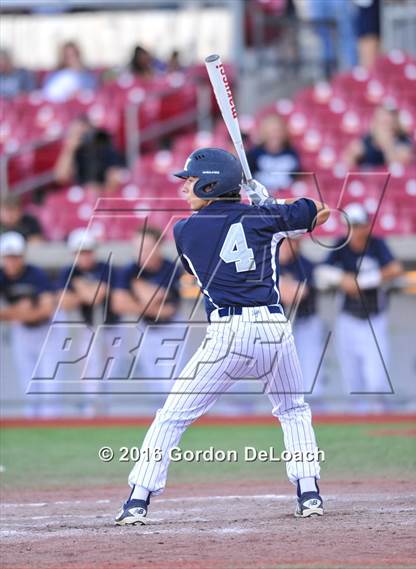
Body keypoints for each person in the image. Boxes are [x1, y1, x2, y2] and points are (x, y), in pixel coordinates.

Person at [115, 147, 330, 525]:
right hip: (274, 329)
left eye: (192, 182)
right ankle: (309, 493)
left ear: (213, 183)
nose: (185, 189)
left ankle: (138, 500)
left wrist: (262, 211)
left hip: (228, 333)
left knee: (172, 417)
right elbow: (319, 209)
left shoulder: (183, 231)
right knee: (293, 410)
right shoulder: (263, 217)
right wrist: (271, 203)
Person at [317, 203, 403, 410]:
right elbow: (321, 272)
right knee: (352, 379)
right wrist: (342, 279)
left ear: (367, 226)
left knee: (376, 379)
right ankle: (360, 420)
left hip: (374, 318)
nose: (355, 231)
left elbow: (395, 268)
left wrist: (363, 281)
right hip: (347, 318)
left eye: (359, 225)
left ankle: (379, 419)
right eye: (351, 226)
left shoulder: (376, 244)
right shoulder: (340, 245)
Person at [55, 228, 118, 415]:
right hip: (89, 327)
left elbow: (96, 297)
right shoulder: (69, 271)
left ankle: (109, 412)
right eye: (80, 252)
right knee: (89, 372)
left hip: (111, 327)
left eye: (88, 251)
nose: (85, 256)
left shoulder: (105, 267)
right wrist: (84, 291)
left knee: (110, 373)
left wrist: (79, 287)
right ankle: (92, 412)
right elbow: (64, 302)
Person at [112, 226, 183, 387]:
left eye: (146, 248)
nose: (141, 252)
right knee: (153, 382)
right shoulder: (130, 270)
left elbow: (166, 310)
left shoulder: (171, 269)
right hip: (145, 328)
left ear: (158, 247)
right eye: (138, 248)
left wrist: (137, 287)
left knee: (171, 383)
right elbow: (118, 304)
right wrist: (146, 299)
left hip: (171, 329)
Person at [0, 232, 55, 416]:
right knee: (29, 384)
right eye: (8, 257)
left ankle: (53, 426)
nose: (12, 262)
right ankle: (32, 423)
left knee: (51, 386)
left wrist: (13, 313)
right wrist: (20, 312)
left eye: (16, 256)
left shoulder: (35, 273)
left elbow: (47, 309)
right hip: (21, 331)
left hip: (46, 331)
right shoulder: (2, 277)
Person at [278, 237, 326, 397]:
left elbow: (294, 295)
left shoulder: (305, 264)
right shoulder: (268, 263)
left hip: (306, 325)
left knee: (311, 377)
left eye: (290, 241)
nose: (286, 245)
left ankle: (315, 415)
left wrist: (280, 285)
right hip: (278, 328)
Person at [54, 117, 125, 190]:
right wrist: (69, 150)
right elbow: (61, 177)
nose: (80, 137)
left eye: (83, 133)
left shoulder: (105, 148)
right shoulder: (73, 152)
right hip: (81, 194)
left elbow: (114, 177)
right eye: (76, 134)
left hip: (102, 193)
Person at [343, 103, 413, 168]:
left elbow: (398, 166)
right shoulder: (366, 139)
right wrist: (352, 156)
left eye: (388, 118)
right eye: (382, 117)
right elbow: (347, 163)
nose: (385, 120)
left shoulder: (403, 139)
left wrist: (387, 144)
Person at [247, 114, 301, 194]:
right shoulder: (254, 154)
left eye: (277, 131)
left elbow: (297, 177)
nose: (274, 135)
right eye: (270, 131)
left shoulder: (292, 153)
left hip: (287, 197)